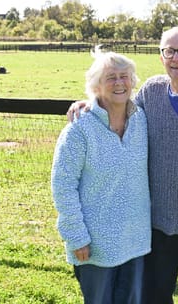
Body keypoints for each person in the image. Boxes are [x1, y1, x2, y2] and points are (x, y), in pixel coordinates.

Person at [68, 26, 178, 304]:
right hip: (158, 220)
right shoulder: (151, 92)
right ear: (161, 57)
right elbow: (120, 106)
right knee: (155, 295)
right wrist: (90, 103)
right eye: (169, 51)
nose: (177, 58)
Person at [52, 48, 151, 304]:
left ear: (132, 81)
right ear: (96, 86)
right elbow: (63, 185)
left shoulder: (142, 121)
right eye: (110, 77)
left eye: (124, 76)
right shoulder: (79, 129)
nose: (119, 83)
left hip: (135, 241)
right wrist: (76, 236)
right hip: (95, 245)